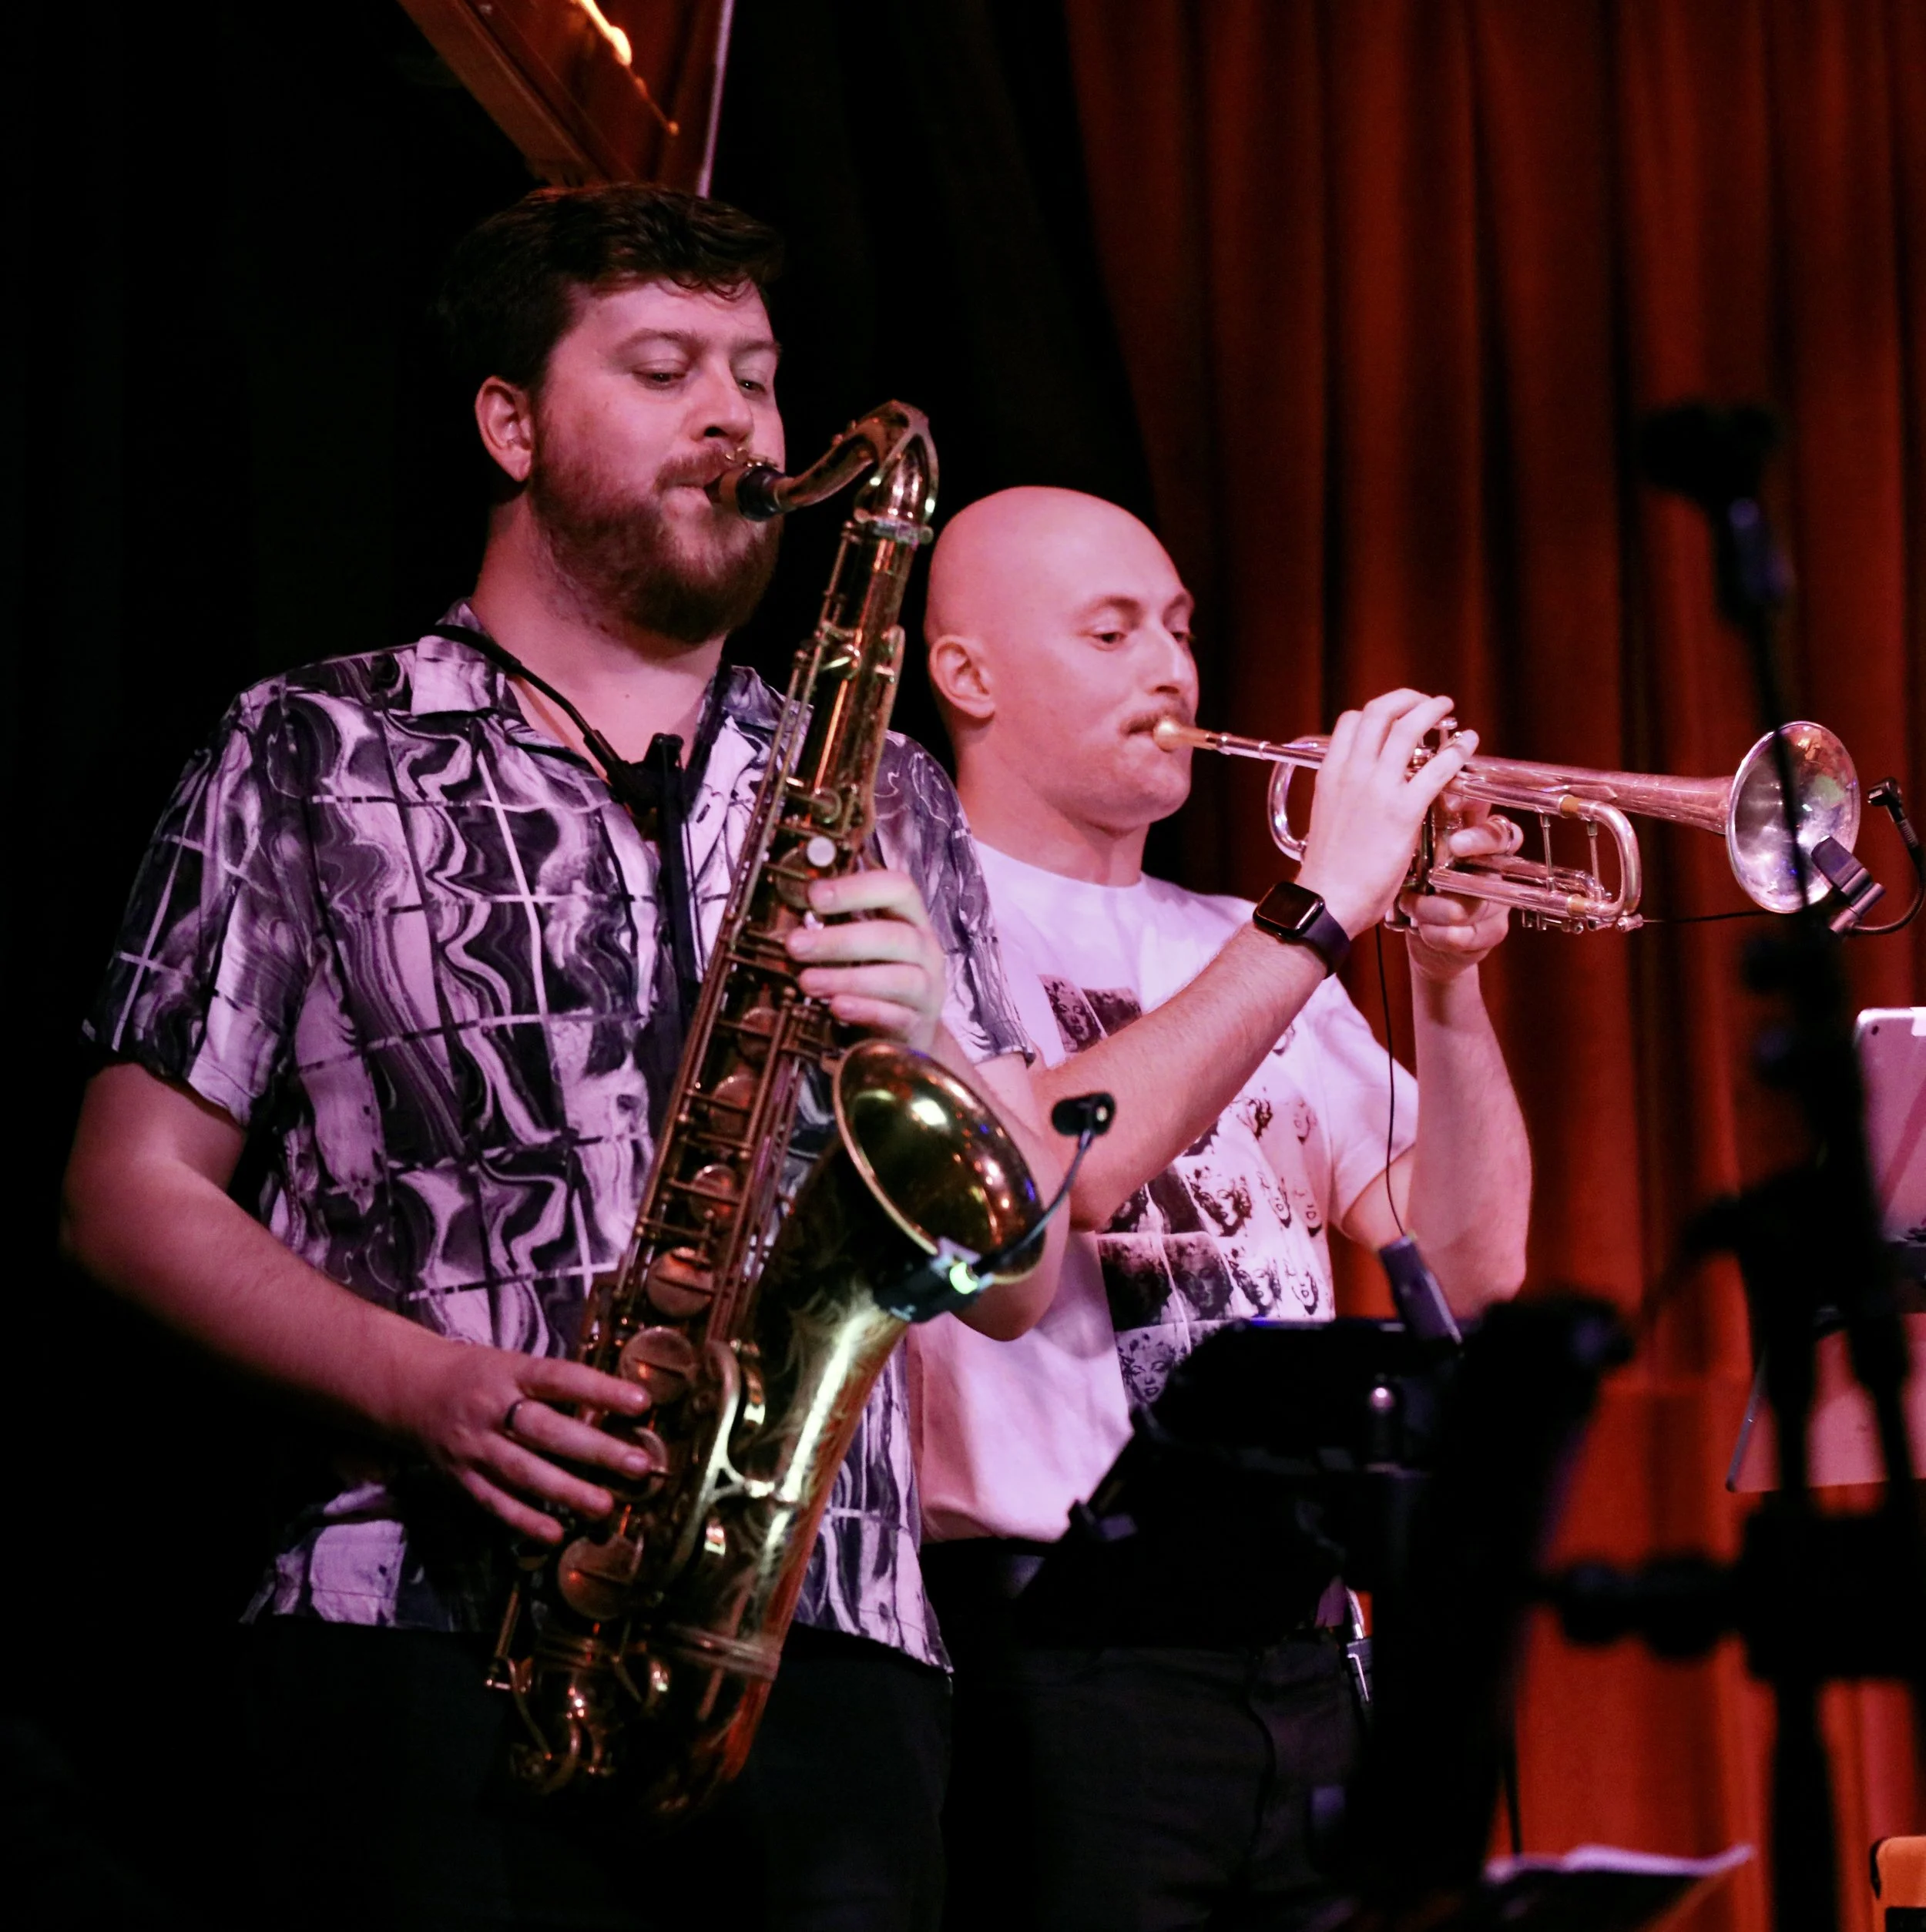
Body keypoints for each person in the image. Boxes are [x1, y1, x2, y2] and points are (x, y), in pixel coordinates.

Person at [58, 188, 1065, 1932]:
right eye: (666, 369)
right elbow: (124, 1196)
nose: (738, 420)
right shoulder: (309, 744)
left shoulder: (883, 786)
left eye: (755, 373)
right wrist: (418, 1389)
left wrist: (937, 1046)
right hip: (415, 1632)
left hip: (823, 1653)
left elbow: (1015, 1284)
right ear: (508, 422)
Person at [909, 486, 1532, 1932]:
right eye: (1112, 631)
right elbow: (1056, 1183)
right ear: (970, 677)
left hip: (1305, 1650)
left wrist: (1448, 985)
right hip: (1063, 1657)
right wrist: (1320, 907)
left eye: (1180, 629)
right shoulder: (918, 925)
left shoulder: (1226, 943)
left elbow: (1476, 1265)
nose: (1171, 670)